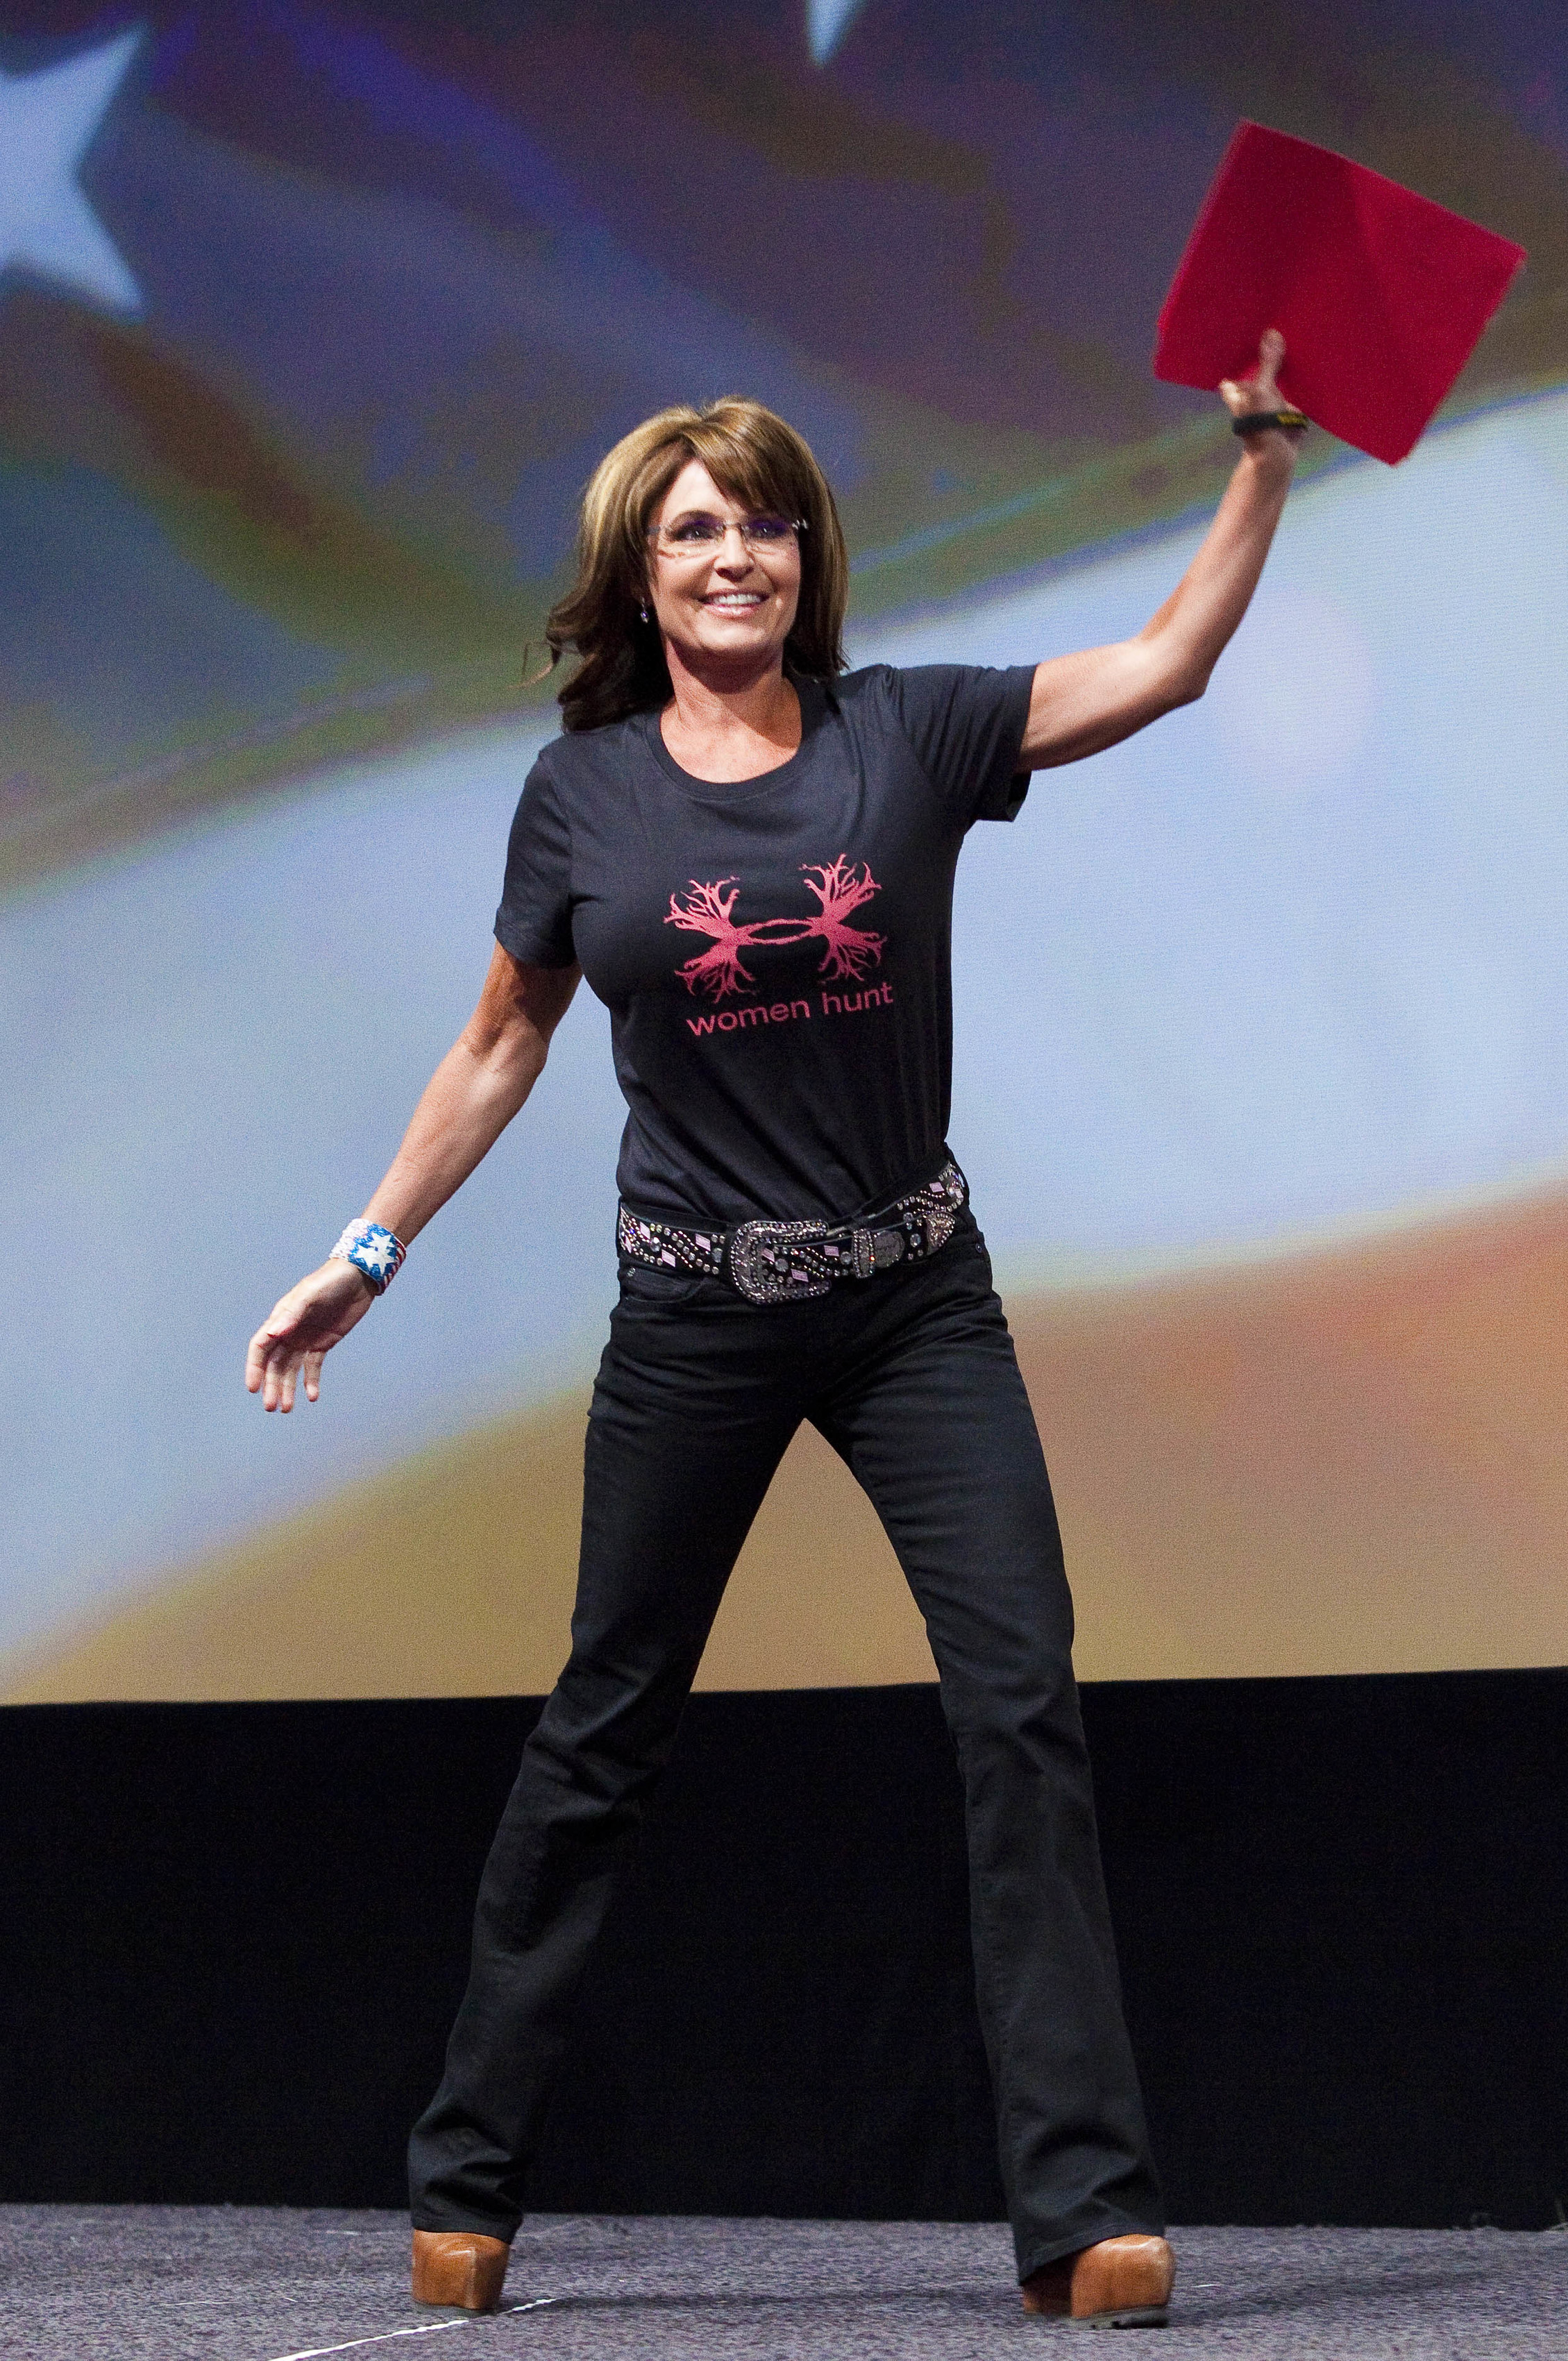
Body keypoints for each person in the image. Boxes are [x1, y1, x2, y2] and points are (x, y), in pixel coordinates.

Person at [245, 331, 1304, 2328]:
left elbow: (1161, 663)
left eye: (764, 526)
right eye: (693, 531)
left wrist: (1257, 462)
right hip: (694, 1321)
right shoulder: (579, 800)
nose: (734, 556)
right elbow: (499, 1045)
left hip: (914, 1301)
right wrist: (364, 1255)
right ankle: (465, 2177)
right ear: (636, 578)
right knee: (602, 1733)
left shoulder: (905, 735)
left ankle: (1084, 2216)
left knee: (1021, 1709)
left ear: (811, 558)